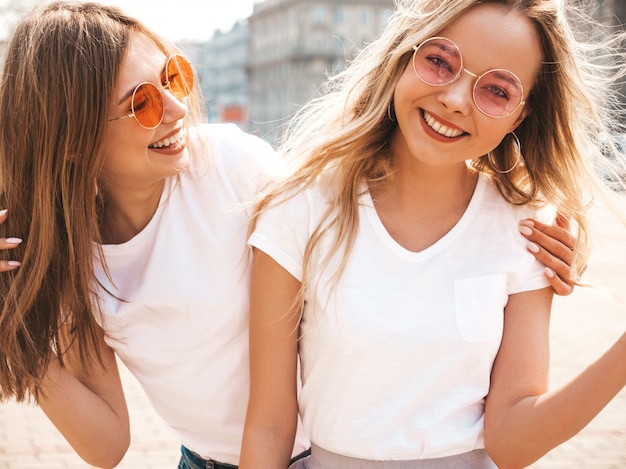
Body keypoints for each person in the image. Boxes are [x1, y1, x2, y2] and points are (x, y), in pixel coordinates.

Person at [0, 1, 582, 468]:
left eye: (173, 75)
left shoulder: (232, 167)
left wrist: (544, 240)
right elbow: (107, 446)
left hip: (326, 449)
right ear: (71, 140)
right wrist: (9, 327)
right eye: (144, 104)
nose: (179, 108)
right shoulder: (66, 260)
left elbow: (369, 208)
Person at [239, 0, 626, 468]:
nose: (456, 100)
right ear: (403, 57)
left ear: (519, 118)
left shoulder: (527, 230)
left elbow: (512, 444)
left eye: (498, 92)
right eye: (440, 62)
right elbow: (269, 425)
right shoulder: (300, 208)